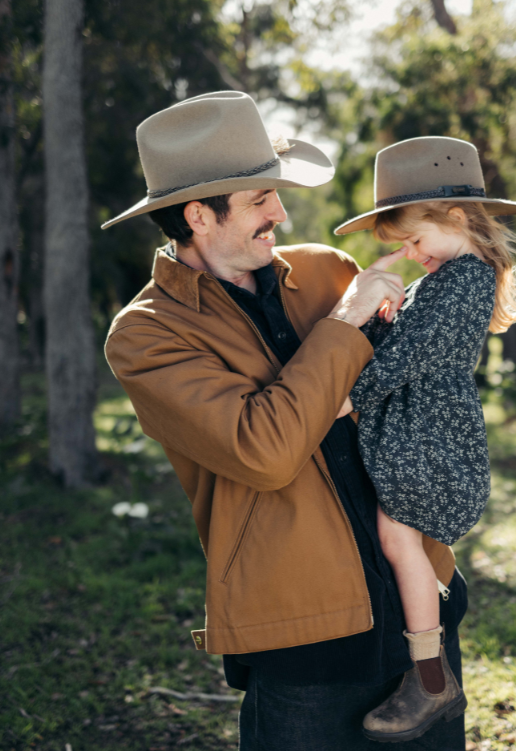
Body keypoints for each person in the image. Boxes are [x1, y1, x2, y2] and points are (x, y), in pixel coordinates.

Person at [103, 92, 469, 750]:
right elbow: (264, 450)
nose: (281, 212)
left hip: (422, 609)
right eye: (259, 199)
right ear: (197, 215)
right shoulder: (146, 335)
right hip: (306, 638)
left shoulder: (329, 271)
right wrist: (343, 325)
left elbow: (410, 383)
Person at [333, 136, 516, 742]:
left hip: (433, 440)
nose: (412, 255)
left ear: (455, 219)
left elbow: (408, 358)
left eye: (415, 242)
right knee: (400, 541)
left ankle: (430, 678)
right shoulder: (452, 276)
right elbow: (414, 337)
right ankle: (428, 669)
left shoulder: (463, 279)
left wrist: (346, 396)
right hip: (423, 431)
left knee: (398, 539)